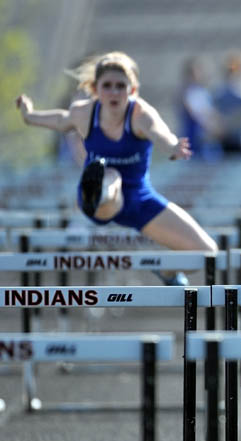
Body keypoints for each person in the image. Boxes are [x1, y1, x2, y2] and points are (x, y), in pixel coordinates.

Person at [16, 51, 218, 284]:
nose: (114, 92)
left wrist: (173, 147)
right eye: (108, 86)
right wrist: (29, 116)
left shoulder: (141, 114)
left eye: (120, 86)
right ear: (96, 89)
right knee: (110, 174)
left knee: (206, 251)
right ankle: (98, 191)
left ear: (132, 90)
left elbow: (160, 133)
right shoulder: (84, 113)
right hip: (99, 200)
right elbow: (61, 120)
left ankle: (167, 272)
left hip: (139, 200)